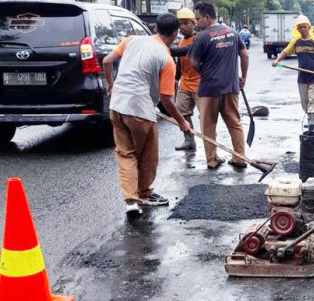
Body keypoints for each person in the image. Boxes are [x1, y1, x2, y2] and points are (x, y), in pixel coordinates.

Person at [102, 14, 190, 216]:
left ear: (155, 28)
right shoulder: (167, 59)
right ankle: (145, 192)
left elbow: (107, 61)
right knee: (147, 156)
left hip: (117, 105)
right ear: (175, 33)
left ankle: (131, 200)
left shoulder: (131, 40)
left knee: (126, 153)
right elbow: (166, 98)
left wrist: (110, 84)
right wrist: (182, 121)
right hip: (140, 111)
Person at [189, 1, 249, 169]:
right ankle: (239, 157)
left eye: (198, 19)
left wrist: (204, 72)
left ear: (207, 17)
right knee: (234, 122)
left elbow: (193, 63)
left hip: (209, 88)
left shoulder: (201, 37)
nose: (196, 23)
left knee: (208, 125)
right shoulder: (232, 32)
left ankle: (212, 159)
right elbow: (244, 55)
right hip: (231, 87)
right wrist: (243, 77)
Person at [271, 15, 314, 131]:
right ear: (297, 29)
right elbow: (286, 51)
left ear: (308, 27)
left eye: (304, 27)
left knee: (313, 99)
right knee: (305, 102)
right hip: (302, 77)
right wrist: (277, 60)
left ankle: (311, 119)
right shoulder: (296, 42)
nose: (302, 30)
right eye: (300, 28)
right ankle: (309, 115)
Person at [174, 7, 200, 151]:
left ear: (193, 24)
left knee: (206, 117)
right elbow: (179, 61)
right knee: (181, 112)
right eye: (180, 24)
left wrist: (168, 49)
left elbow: (186, 51)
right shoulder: (180, 42)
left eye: (186, 23)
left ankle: (211, 147)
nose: (182, 27)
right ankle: (189, 140)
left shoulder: (198, 39)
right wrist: (177, 78)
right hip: (184, 83)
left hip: (199, 84)